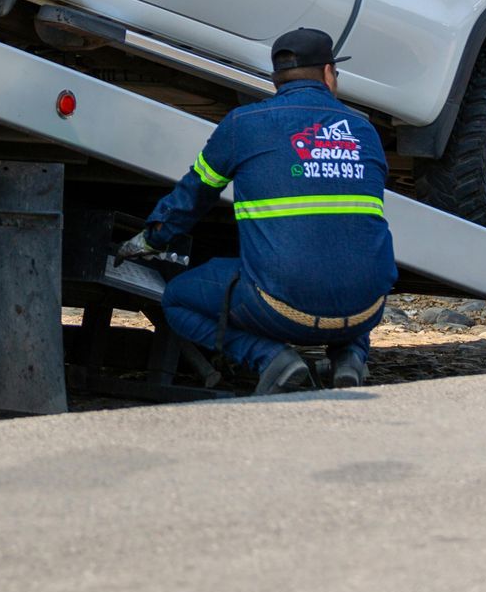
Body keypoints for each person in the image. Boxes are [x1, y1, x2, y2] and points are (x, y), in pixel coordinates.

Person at [118, 28, 397, 394]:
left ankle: (271, 359)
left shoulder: (242, 126)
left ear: (275, 80)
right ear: (329, 74)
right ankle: (350, 359)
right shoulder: (364, 131)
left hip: (278, 310)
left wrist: (149, 239)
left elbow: (191, 198)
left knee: (177, 300)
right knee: (348, 268)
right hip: (368, 309)